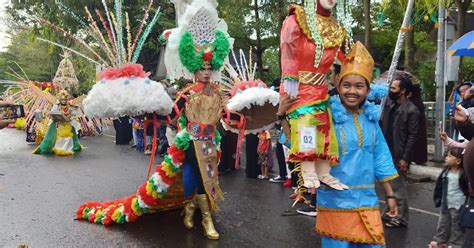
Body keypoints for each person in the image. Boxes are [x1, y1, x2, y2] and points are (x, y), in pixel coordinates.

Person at [279, 42, 399, 247]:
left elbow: (381, 157)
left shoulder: (371, 120)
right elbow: (297, 142)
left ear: (368, 90)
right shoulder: (325, 116)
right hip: (335, 202)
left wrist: (390, 195)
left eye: (359, 86)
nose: (352, 91)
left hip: (367, 201)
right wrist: (282, 115)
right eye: (347, 85)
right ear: (338, 86)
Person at [381, 71, 420, 228]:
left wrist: (405, 158)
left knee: (398, 187)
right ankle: (390, 211)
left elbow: (412, 136)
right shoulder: (389, 105)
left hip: (399, 154)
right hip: (386, 151)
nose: (390, 90)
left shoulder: (412, 110)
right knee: (387, 184)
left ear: (402, 91)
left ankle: (401, 217)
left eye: (393, 88)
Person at [429, 147, 468, 248]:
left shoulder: (463, 174)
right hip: (445, 203)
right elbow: (439, 187)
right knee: (443, 223)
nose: (446, 158)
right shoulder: (446, 172)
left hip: (458, 205)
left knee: (457, 227)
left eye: (450, 156)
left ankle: (455, 244)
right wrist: (437, 199)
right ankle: (440, 241)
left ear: (458, 161)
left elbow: (468, 190)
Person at [33, 90, 82, 156]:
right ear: (60, 100)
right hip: (60, 124)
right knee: (60, 136)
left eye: (65, 99)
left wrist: (70, 115)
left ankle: (67, 148)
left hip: (68, 124)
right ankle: (59, 148)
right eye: (62, 99)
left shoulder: (70, 105)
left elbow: (74, 113)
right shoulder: (56, 105)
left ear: (67, 99)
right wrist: (56, 116)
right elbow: (53, 113)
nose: (63, 101)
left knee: (68, 136)